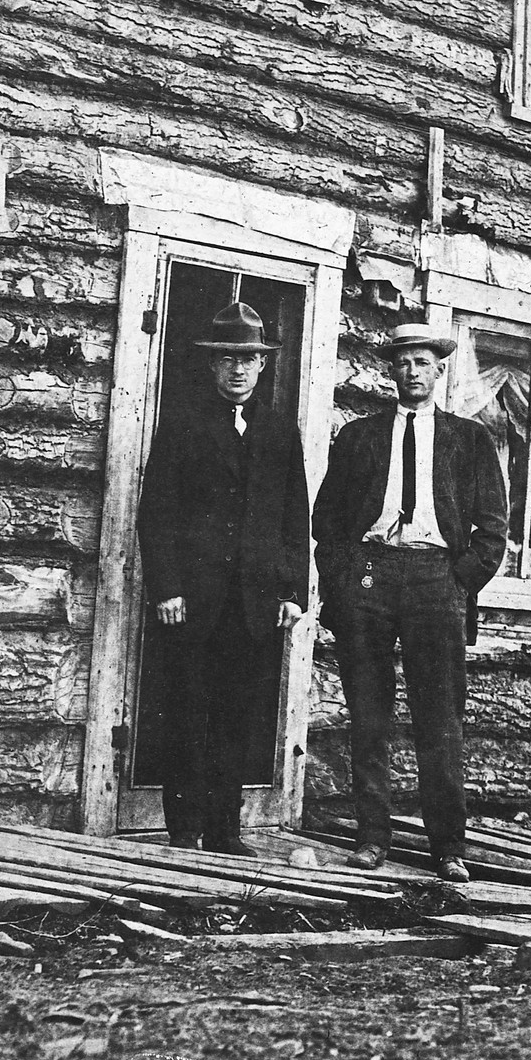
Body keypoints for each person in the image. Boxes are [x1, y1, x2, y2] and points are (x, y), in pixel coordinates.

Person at [312, 321, 508, 881]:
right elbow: (326, 521)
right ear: (390, 371)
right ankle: (372, 837)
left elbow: (493, 527)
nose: (412, 372)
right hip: (371, 577)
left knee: (439, 716)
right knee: (368, 712)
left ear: (439, 370)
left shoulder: (470, 440)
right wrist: (343, 579)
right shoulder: (359, 437)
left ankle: (447, 845)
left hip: (435, 579)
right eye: (402, 362)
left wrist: (459, 581)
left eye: (422, 362)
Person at [135, 299, 310, 854]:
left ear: (263, 365)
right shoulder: (182, 424)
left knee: (237, 714)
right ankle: (184, 829)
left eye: (248, 359)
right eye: (228, 358)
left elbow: (294, 516)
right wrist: (167, 587)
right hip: (192, 599)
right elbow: (156, 512)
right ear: (213, 364)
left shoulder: (279, 430)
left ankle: (225, 831)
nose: (238, 369)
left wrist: (291, 591)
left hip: (253, 601)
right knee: (186, 709)